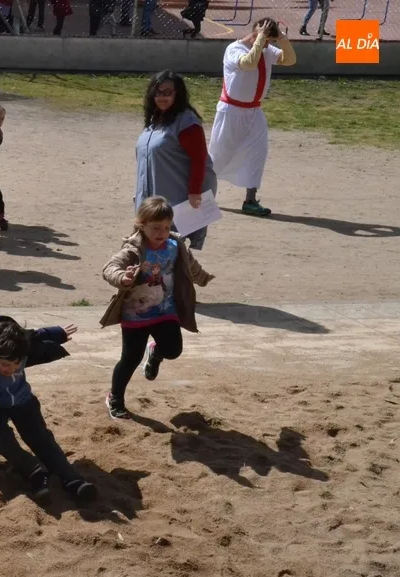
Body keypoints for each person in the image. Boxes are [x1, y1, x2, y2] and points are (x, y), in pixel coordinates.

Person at [0, 315, 98, 504]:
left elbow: (35, 335)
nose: (10, 369)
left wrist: (58, 334)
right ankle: (33, 470)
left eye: (16, 364)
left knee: (41, 438)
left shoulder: (22, 349)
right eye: (4, 364)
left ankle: (71, 478)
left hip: (23, 401)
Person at [99, 197, 214, 420]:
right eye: (156, 228)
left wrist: (203, 278)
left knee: (173, 350)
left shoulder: (175, 245)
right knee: (130, 359)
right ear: (141, 225)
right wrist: (123, 278)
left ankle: (156, 351)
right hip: (136, 314)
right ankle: (115, 398)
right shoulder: (133, 249)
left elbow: (190, 266)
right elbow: (109, 268)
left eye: (166, 227)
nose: (162, 232)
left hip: (165, 310)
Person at [208, 18, 296, 217]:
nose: (267, 44)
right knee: (219, 156)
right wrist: (260, 39)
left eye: (269, 41)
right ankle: (202, 196)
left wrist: (281, 39)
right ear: (255, 33)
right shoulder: (234, 49)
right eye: (265, 39)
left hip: (254, 112)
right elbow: (248, 63)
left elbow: (289, 60)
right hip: (231, 111)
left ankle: (250, 200)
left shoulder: (266, 50)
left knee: (258, 153)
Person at [135, 70, 217, 250]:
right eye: (158, 92)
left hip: (175, 202)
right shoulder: (156, 119)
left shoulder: (187, 122)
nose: (161, 97)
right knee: (147, 251)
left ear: (177, 93)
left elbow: (199, 158)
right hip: (151, 201)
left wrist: (195, 192)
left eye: (167, 92)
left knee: (170, 252)